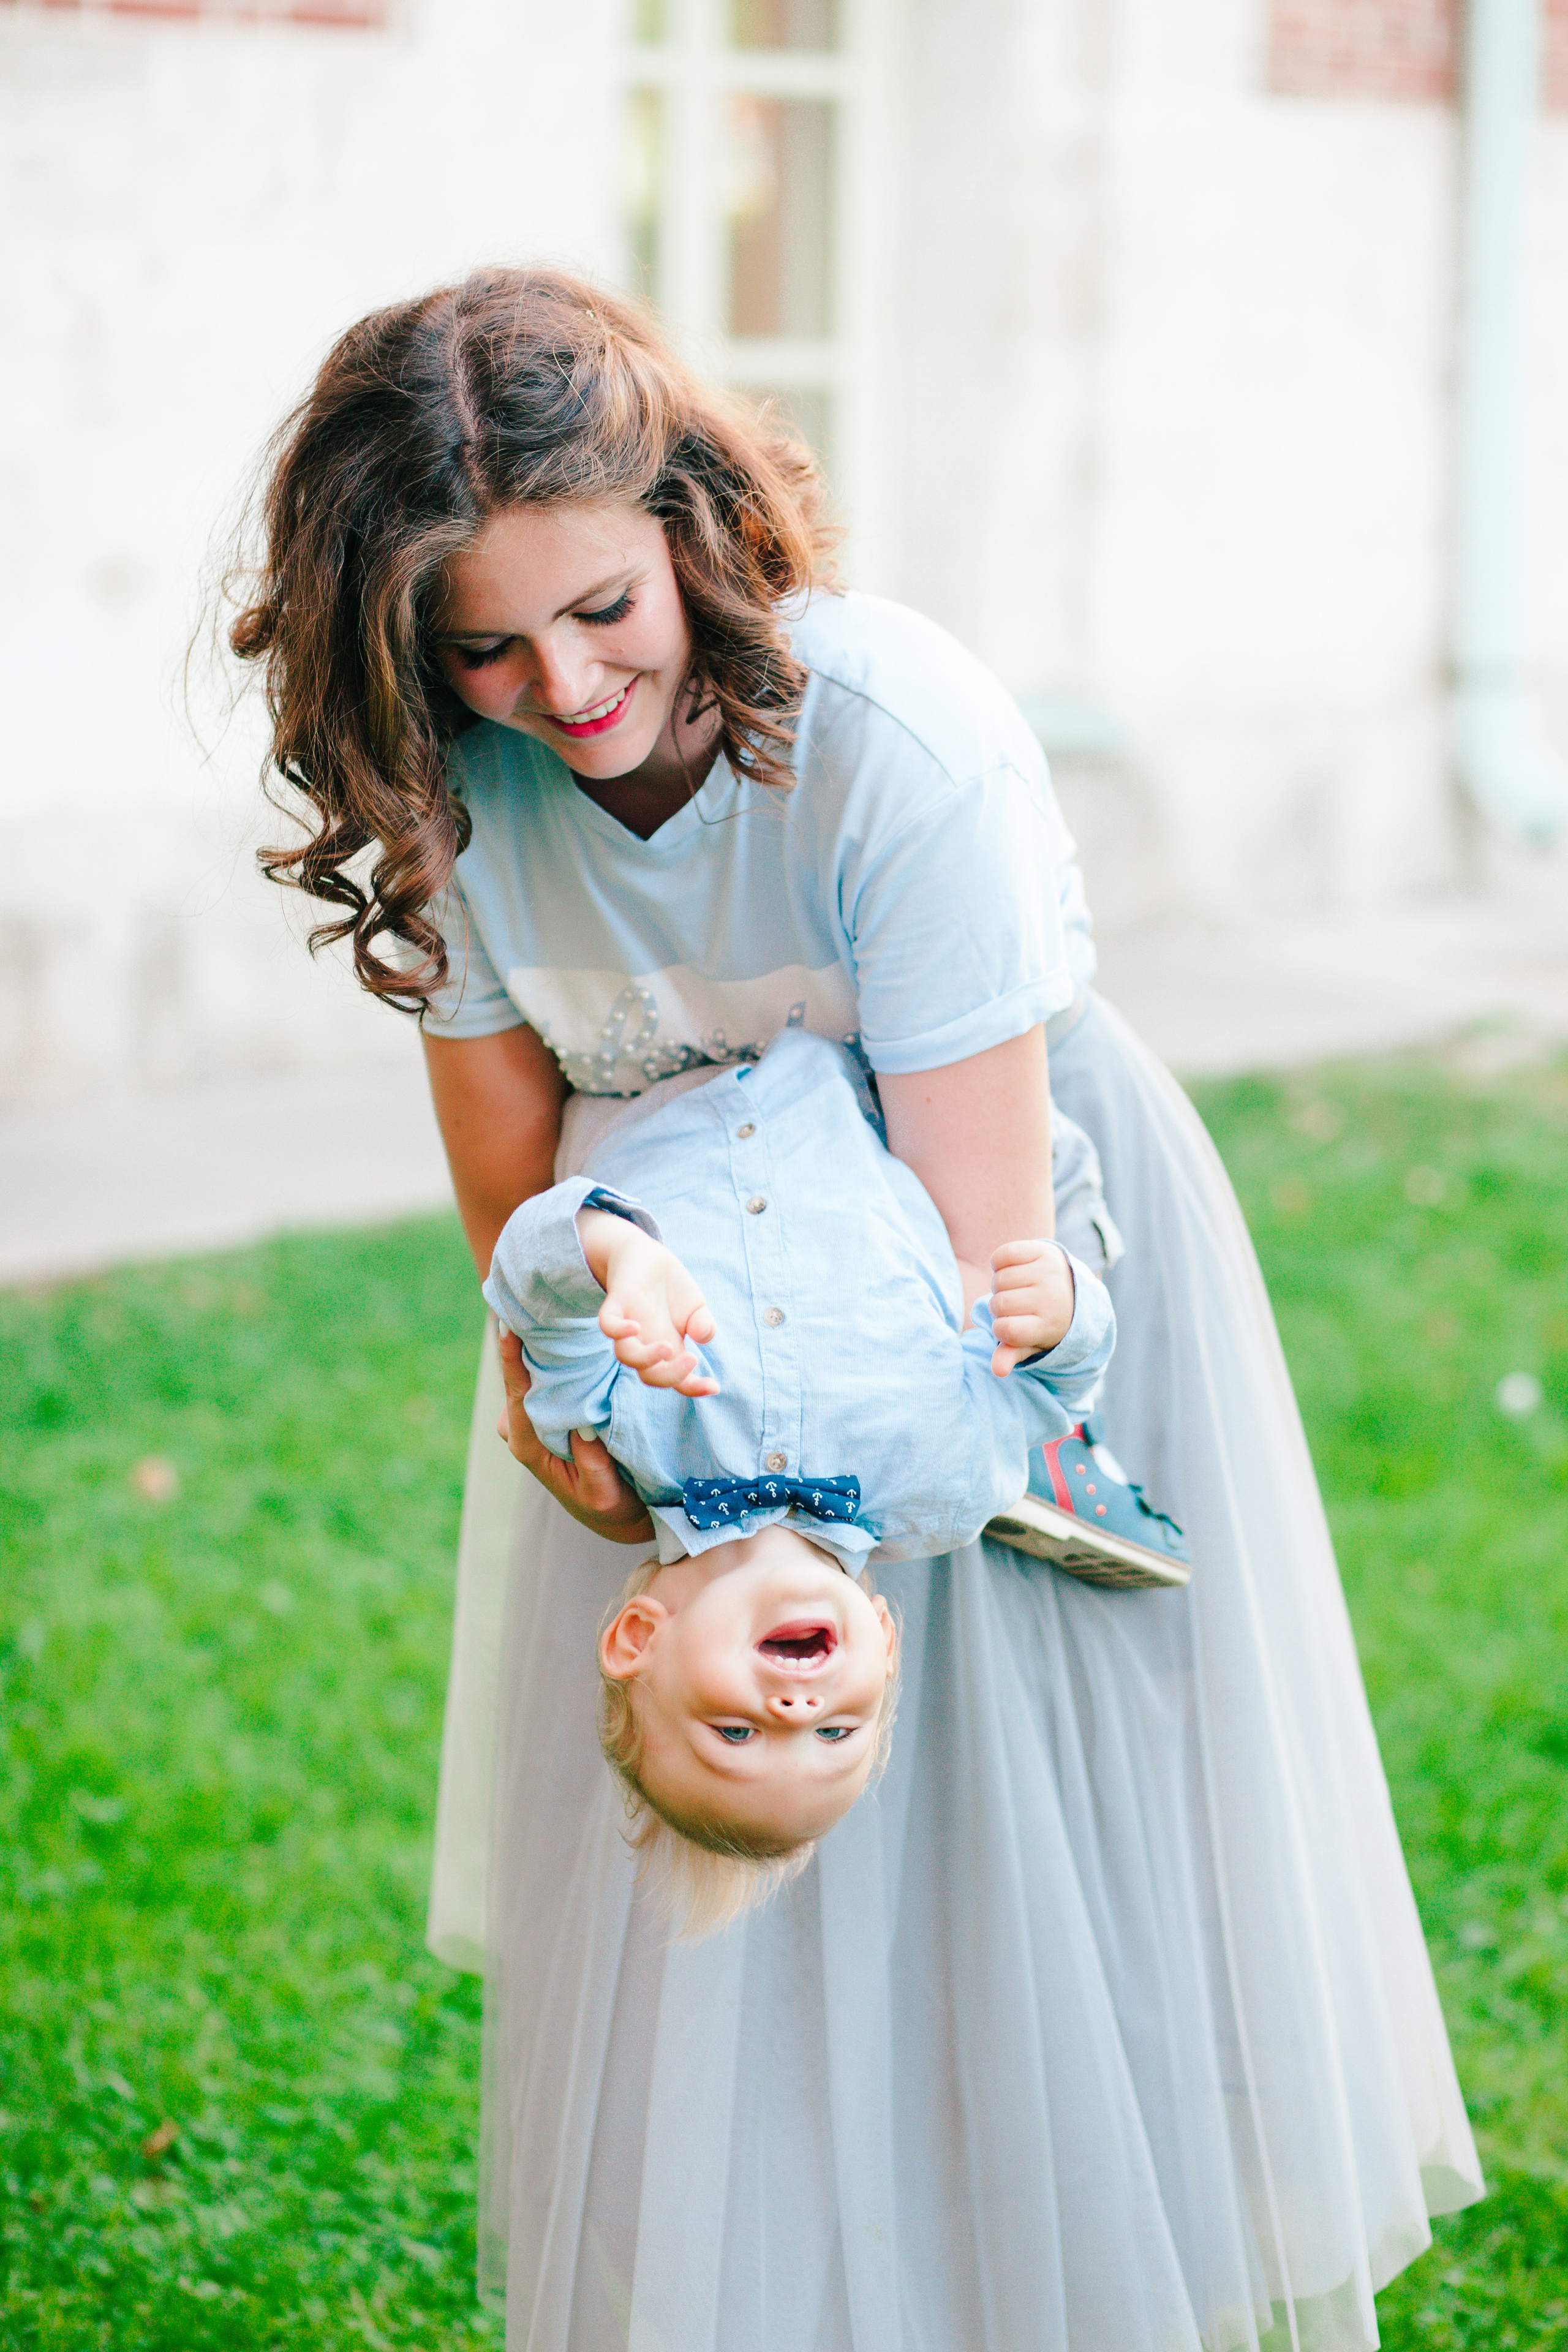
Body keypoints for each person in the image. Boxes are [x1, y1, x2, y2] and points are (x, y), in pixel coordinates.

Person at [232, 266, 1482, 2350]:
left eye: (602, 610)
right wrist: (618, 1445)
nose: (563, 685)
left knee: (998, 1837)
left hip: (975, 1312)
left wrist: (776, 1521)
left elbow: (964, 1291)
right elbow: (510, 1206)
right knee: (724, 1809)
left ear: (690, 526)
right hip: (676, 1327)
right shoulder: (457, 796)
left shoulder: (892, 732)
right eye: (486, 644)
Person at [482, 1023, 1118, 1923]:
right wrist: (1066, 1313)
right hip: (856, 1054)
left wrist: (617, 1257)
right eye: (837, 1732)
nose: (794, 1706)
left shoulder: (612, 1441)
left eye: (736, 1733)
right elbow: (1057, 1393)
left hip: (667, 1057)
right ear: (884, 1647)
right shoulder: (951, 1488)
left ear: (637, 1640)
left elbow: (527, 1277)